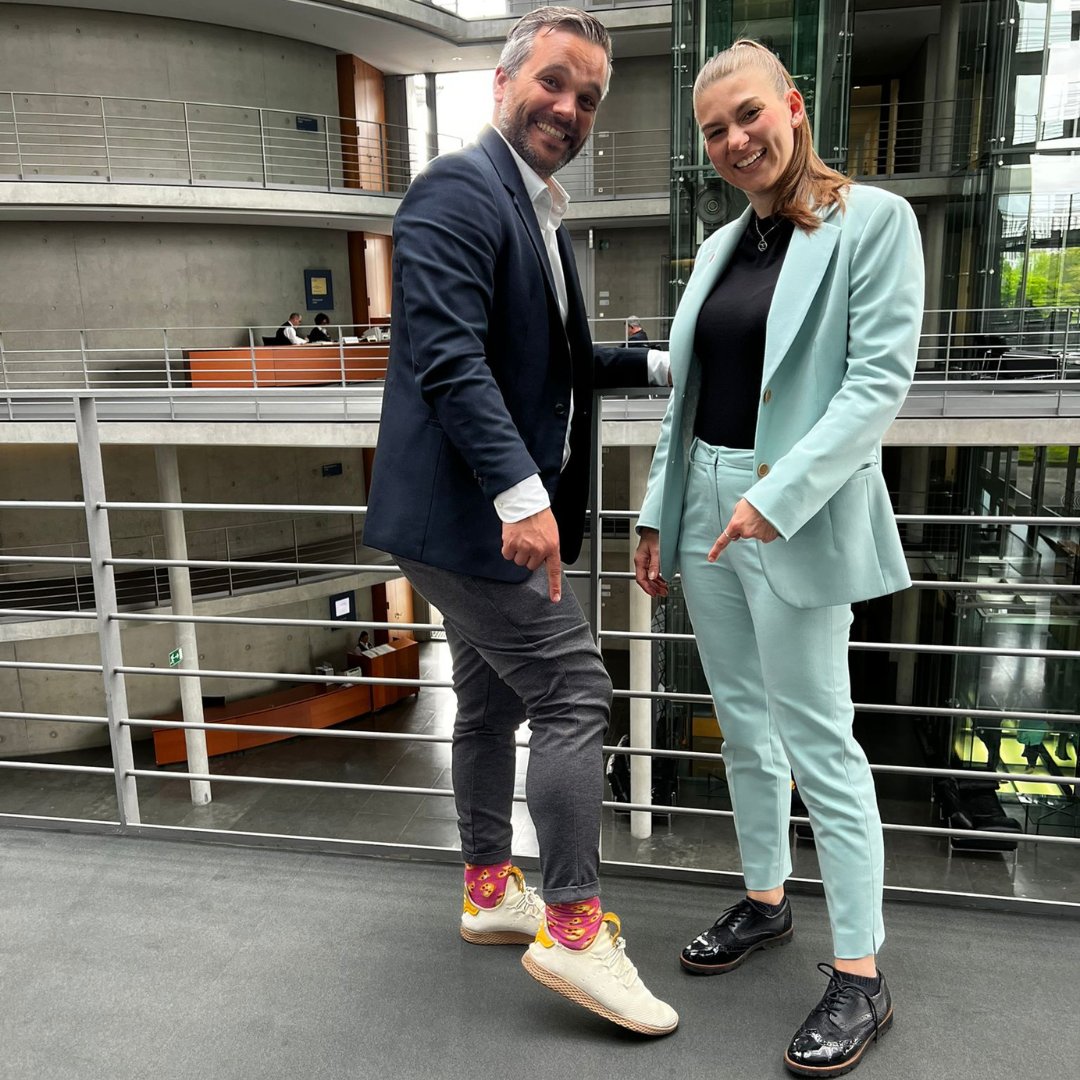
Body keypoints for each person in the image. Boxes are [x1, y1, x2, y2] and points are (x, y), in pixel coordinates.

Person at [364, 6, 676, 1037]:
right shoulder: (462, 185)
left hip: (465, 519)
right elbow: (448, 360)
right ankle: (578, 931)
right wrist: (523, 496)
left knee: (491, 703)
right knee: (578, 691)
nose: (570, 107)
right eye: (554, 81)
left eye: (588, 96)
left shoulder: (533, 210)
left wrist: (658, 364)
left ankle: (492, 889)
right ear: (503, 82)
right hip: (472, 521)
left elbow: (547, 362)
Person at [633, 40, 923, 1076]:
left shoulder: (873, 223)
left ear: (794, 109)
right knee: (742, 728)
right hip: (705, 504)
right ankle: (765, 899)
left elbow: (876, 386)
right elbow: (689, 396)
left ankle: (860, 973)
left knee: (820, 740)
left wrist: (774, 496)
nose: (735, 140)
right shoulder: (722, 247)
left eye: (749, 116)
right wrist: (655, 517)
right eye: (715, 130)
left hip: (791, 510)